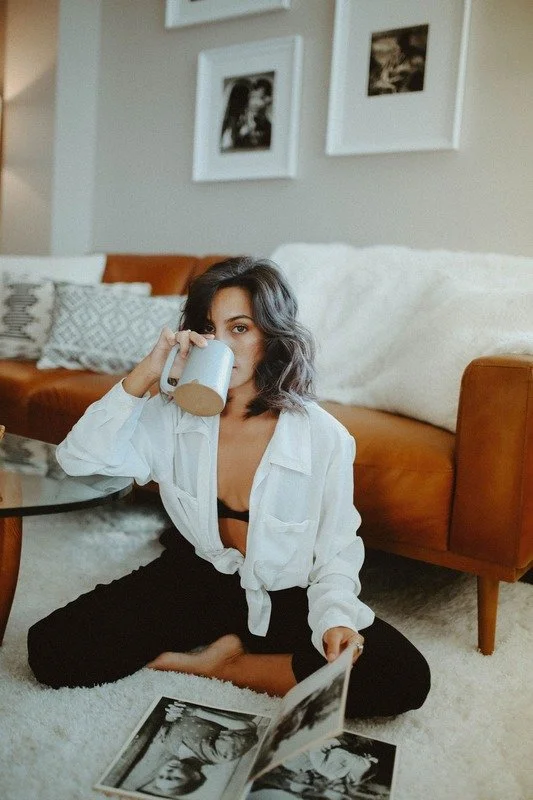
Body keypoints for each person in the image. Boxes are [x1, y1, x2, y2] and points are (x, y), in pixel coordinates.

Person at [27, 256, 430, 719]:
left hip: (284, 593)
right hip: (196, 577)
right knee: (51, 651)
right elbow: (78, 459)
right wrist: (146, 372)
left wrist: (336, 618)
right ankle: (232, 644)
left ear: (271, 335)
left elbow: (337, 548)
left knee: (401, 677)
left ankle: (227, 664)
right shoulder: (173, 416)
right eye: (209, 328)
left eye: (239, 328)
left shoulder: (322, 436)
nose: (222, 343)